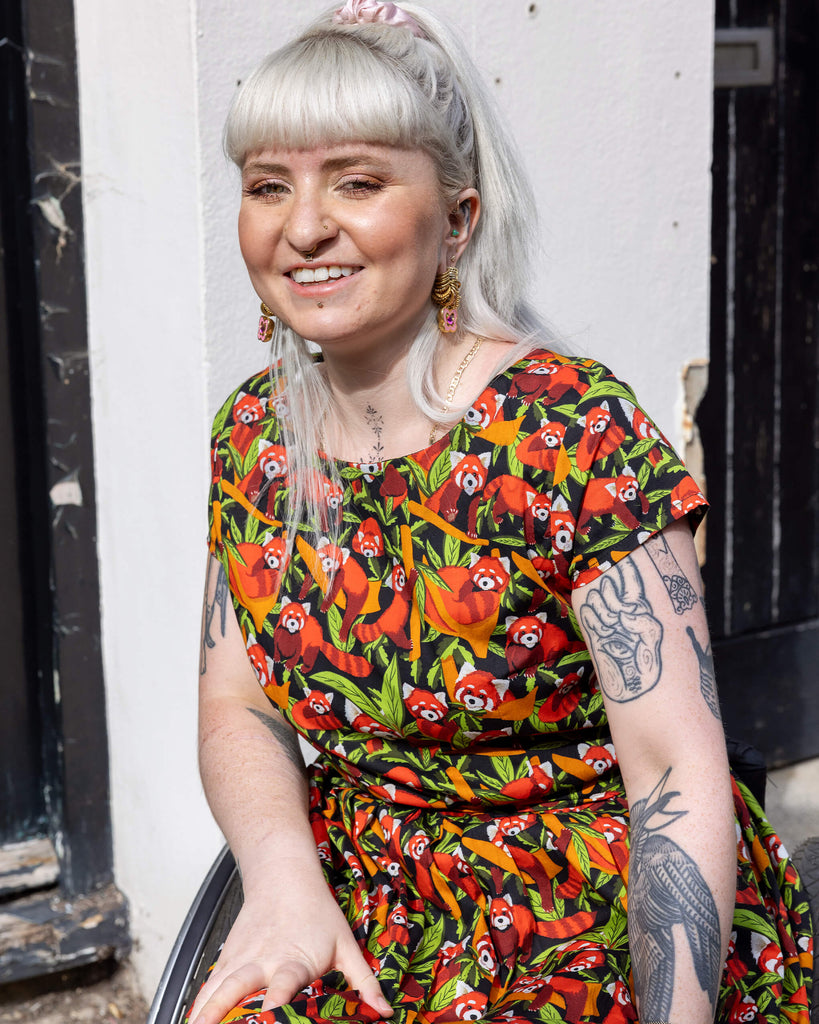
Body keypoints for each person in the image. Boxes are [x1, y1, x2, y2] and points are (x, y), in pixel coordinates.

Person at [189, 3, 813, 1023]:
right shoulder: (254, 435)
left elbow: (673, 772)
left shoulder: (570, 432)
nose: (302, 226)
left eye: (356, 179)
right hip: (354, 904)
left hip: (583, 917)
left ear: (459, 219)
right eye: (269, 185)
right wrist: (281, 877)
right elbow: (238, 707)